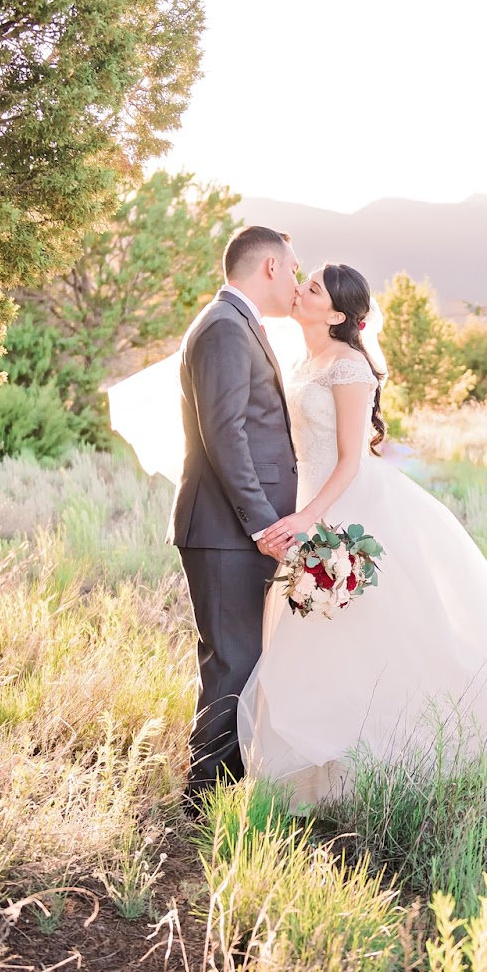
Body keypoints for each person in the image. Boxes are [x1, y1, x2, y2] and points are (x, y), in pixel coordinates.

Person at [238, 263, 487, 805]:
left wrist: (309, 519)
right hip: (307, 503)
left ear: (338, 316)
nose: (300, 289)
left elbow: (350, 460)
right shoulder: (302, 360)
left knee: (387, 634)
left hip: (348, 507)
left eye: (314, 288)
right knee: (322, 640)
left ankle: (483, 725)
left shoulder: (350, 367)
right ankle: (327, 770)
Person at [166, 225, 300, 807]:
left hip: (236, 528)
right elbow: (225, 434)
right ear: (269, 266)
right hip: (227, 529)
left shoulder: (237, 322)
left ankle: (229, 789)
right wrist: (262, 523)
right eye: (293, 269)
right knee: (233, 663)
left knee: (243, 659)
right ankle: (203, 801)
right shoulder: (224, 326)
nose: (296, 280)